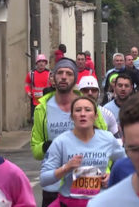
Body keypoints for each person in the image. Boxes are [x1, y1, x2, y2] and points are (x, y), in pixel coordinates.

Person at [31, 58, 107, 206]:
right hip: (53, 184)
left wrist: (107, 170)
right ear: (53, 78)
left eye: (69, 73)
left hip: (85, 181)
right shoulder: (42, 108)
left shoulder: (87, 105)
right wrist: (49, 146)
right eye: (60, 73)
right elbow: (35, 150)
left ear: (75, 78)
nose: (64, 77)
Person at [41, 97, 125, 206]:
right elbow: (44, 179)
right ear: (72, 116)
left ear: (96, 116)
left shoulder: (107, 138)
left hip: (100, 202)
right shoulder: (61, 142)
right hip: (69, 202)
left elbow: (126, 163)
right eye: (78, 110)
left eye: (88, 110)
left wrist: (111, 176)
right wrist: (66, 168)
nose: (82, 114)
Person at [25, 54, 50, 119]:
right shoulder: (31, 74)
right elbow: (27, 84)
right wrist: (28, 92)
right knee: (35, 120)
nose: (41, 63)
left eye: (43, 61)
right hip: (35, 102)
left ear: (45, 63)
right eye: (39, 61)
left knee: (45, 120)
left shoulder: (49, 74)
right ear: (37, 63)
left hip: (46, 102)